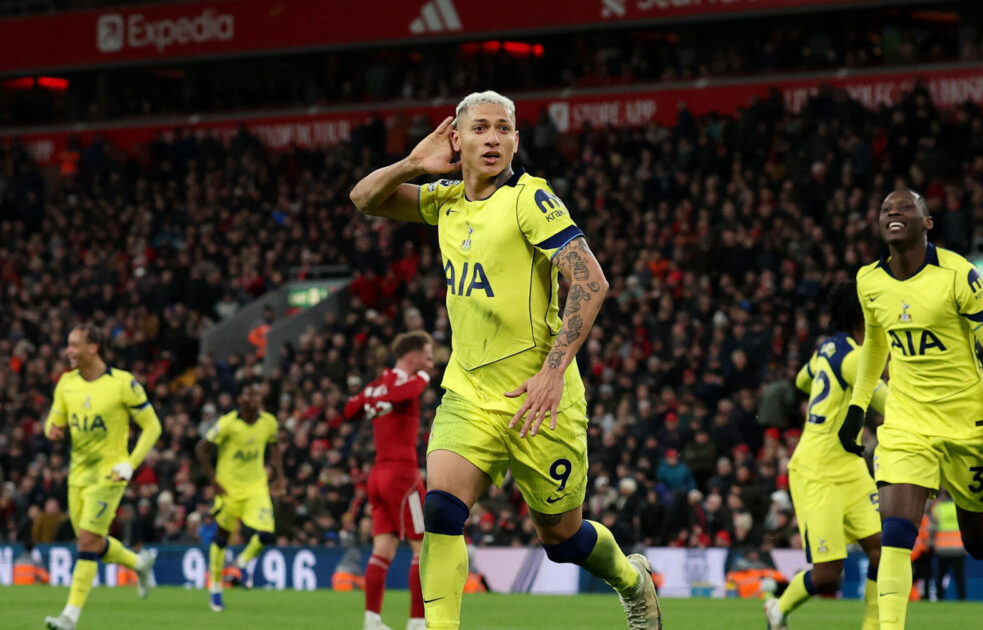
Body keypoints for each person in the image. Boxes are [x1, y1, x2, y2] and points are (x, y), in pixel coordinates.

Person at [349, 90, 660, 629]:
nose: (492, 138)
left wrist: (553, 372)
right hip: (469, 392)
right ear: (457, 139)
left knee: (561, 539)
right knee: (442, 511)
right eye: (480, 128)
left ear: (516, 140)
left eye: (503, 129)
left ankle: (633, 582)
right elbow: (365, 200)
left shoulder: (530, 199)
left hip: (539, 399)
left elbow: (590, 281)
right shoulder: (443, 198)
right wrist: (410, 164)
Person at [840, 190, 983, 630]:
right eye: (885, 209)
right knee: (896, 533)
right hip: (906, 422)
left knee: (979, 542)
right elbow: (876, 343)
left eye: (904, 208)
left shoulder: (958, 274)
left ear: (926, 222)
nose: (892, 212)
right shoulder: (868, 280)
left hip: (966, 423)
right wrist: (858, 408)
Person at [765, 281, 886, 630]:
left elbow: (803, 381)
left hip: (849, 466)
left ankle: (875, 625)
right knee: (828, 576)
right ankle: (778, 609)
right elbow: (889, 404)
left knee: (883, 548)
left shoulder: (826, 350)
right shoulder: (855, 358)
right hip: (817, 471)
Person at [43, 324, 161, 630]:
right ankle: (140, 564)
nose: (68, 350)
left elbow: (153, 427)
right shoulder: (66, 383)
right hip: (78, 474)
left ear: (93, 347)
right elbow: (53, 422)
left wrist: (131, 464)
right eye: (68, 345)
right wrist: (52, 431)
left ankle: (69, 617)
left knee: (85, 540)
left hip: (111, 474)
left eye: (74, 344)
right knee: (93, 541)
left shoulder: (123, 383)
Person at [344, 330, 435, 630]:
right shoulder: (405, 382)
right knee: (423, 548)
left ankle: (372, 620)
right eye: (427, 354)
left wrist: (372, 397)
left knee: (382, 550)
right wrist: (422, 378)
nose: (431, 361)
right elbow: (401, 394)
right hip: (402, 475)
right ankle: (417, 622)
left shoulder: (377, 385)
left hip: (378, 476)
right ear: (412, 356)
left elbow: (349, 409)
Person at [197, 381, 283, 612]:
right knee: (222, 537)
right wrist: (214, 481)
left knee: (267, 533)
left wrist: (280, 476)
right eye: (249, 395)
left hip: (256, 487)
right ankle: (215, 588)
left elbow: (274, 446)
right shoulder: (227, 424)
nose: (254, 399)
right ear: (240, 400)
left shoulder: (268, 422)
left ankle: (242, 562)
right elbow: (201, 448)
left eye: (257, 395)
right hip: (229, 489)